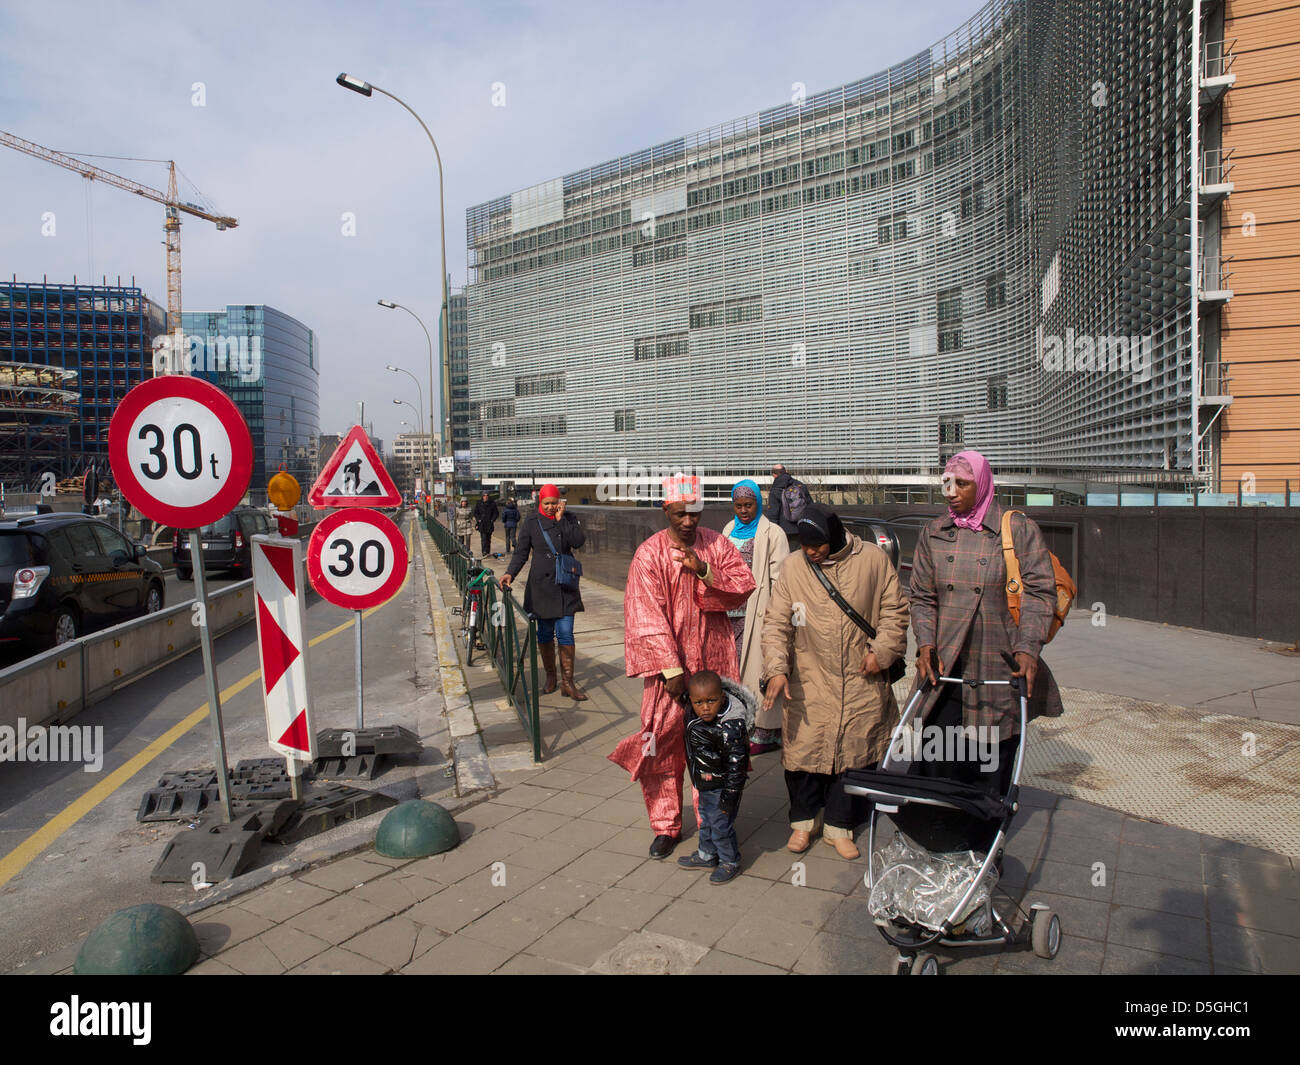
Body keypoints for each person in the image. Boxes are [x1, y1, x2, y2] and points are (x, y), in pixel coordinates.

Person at [610, 473, 756, 859]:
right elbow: (645, 615)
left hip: (713, 666)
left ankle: (714, 825)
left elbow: (743, 583)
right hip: (667, 675)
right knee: (660, 744)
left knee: (715, 744)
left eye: (694, 513)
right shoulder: (649, 554)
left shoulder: (718, 545)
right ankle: (665, 825)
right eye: (680, 514)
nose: (688, 522)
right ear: (666, 511)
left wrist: (706, 571)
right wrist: (670, 669)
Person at [908, 450, 1064, 805]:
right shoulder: (933, 533)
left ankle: (986, 845)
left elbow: (1040, 593)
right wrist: (926, 644)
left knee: (990, 761)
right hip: (946, 665)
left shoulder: (1017, 529)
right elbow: (921, 596)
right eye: (946, 482)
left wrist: (1028, 649)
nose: (951, 491)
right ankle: (940, 836)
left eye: (961, 483)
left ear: (981, 485)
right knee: (940, 754)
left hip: (997, 663)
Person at [762, 506, 909, 859]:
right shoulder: (795, 567)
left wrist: (883, 651)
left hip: (861, 677)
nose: (810, 552)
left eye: (817, 545)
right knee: (803, 755)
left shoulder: (873, 561)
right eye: (805, 545)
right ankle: (803, 823)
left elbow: (895, 610)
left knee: (854, 756)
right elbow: (777, 622)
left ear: (835, 537)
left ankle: (839, 827)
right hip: (809, 677)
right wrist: (777, 669)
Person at [721, 478, 790, 755]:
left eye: (748, 505)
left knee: (759, 671)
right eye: (738, 506)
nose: (743, 511)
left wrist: (776, 616)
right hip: (730, 616)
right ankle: (739, 724)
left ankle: (765, 731)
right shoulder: (728, 530)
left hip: (757, 612)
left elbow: (781, 580)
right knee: (735, 671)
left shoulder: (773, 533)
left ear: (758, 504)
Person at [501, 484, 588, 699]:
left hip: (565, 584)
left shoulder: (568, 518)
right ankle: (551, 677)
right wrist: (510, 573)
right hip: (541, 586)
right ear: (540, 502)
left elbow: (578, 542)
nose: (550, 507)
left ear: (559, 502)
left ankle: (568, 682)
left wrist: (560, 521)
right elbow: (521, 553)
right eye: (546, 504)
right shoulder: (531, 522)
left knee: (566, 632)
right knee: (544, 633)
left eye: (553, 503)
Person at [677, 670, 753, 884]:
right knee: (707, 820)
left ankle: (730, 861)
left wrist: (730, 796)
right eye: (699, 702)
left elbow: (737, 766)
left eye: (711, 701)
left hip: (722, 787)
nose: (705, 707)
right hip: (705, 782)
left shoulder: (730, 726)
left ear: (722, 697)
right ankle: (706, 854)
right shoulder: (694, 713)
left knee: (721, 826)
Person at [473, 491, 500, 556]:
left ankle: (487, 551)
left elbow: (496, 513)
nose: (486, 497)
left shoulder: (492, 503)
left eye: (487, 495)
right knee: (483, 538)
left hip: (489, 523)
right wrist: (478, 519)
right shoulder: (479, 503)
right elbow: (476, 512)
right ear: (482, 496)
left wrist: (492, 520)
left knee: (488, 538)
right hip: (482, 523)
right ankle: (484, 551)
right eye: (484, 495)